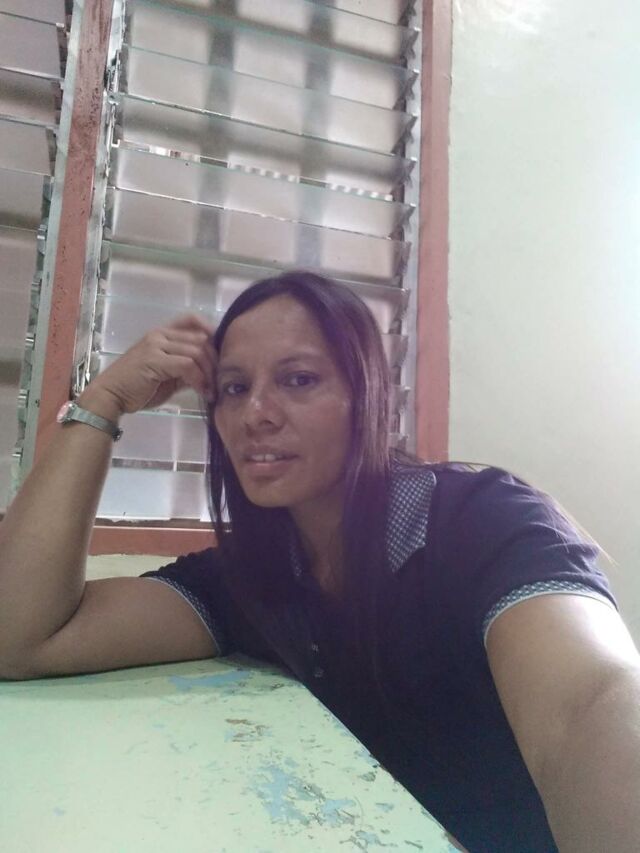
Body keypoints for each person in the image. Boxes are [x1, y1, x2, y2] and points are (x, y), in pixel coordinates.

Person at [0, 271, 639, 852]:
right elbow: (23, 638)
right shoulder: (249, 576)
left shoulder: (486, 521)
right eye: (234, 388)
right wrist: (103, 401)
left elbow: (590, 705)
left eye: (299, 379)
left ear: (367, 395)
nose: (256, 415)